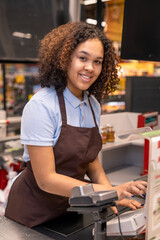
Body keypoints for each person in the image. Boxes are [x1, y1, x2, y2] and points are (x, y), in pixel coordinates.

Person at [5, 22, 147, 228]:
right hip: (31, 213)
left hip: (70, 206)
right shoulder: (42, 106)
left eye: (97, 61)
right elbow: (46, 179)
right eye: (83, 58)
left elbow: (90, 162)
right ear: (64, 58)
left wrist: (113, 195)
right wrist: (110, 192)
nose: (90, 67)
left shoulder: (92, 105)